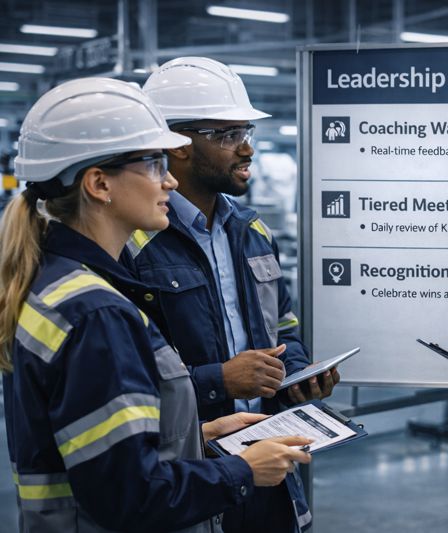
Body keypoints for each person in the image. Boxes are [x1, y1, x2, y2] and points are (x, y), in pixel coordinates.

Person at [0, 77, 312, 532]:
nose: (168, 179)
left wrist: (194, 439)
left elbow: (100, 457)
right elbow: (129, 495)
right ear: (99, 184)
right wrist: (243, 470)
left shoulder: (56, 284)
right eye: (152, 164)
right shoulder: (97, 313)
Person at [118, 57, 338, 533]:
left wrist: (296, 375)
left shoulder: (251, 229)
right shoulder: (132, 244)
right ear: (177, 146)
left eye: (246, 133)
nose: (247, 149)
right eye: (226, 135)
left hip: (266, 461)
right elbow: (123, 383)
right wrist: (219, 380)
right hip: (188, 470)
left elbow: (283, 326)